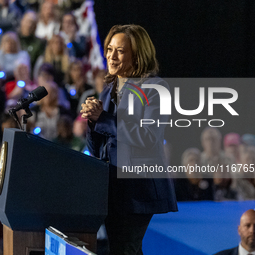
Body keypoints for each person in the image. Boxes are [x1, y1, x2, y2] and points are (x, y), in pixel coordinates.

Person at [81, 24, 177, 254]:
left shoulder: (155, 88)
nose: (111, 56)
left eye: (120, 51)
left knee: (126, 248)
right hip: (112, 188)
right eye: (109, 49)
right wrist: (93, 123)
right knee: (121, 249)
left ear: (138, 55)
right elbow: (97, 148)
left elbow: (148, 136)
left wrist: (102, 119)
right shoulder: (109, 88)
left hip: (138, 189)